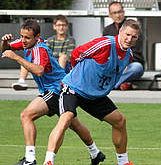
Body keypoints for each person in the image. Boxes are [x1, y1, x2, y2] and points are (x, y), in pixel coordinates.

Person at [1, 19, 105, 165]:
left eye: (27, 38)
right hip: (61, 88)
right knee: (74, 124)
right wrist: (5, 42)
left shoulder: (40, 49)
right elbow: (6, 50)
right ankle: (96, 153)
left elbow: (39, 70)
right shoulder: (28, 41)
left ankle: (30, 159)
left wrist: (16, 57)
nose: (23, 41)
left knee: (26, 115)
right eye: (22, 36)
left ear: (37, 37)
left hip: (56, 89)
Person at [43, 19, 140, 165]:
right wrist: (78, 75)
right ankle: (48, 161)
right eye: (127, 34)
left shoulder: (128, 55)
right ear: (120, 31)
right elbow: (77, 53)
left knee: (120, 121)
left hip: (95, 95)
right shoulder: (106, 44)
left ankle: (123, 162)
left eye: (134, 37)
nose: (129, 39)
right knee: (66, 119)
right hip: (74, 88)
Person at [11, 15, 76, 91]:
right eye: (59, 25)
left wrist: (58, 56)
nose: (61, 27)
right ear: (54, 26)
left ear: (67, 26)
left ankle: (61, 81)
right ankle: (21, 80)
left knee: (63, 58)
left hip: (63, 66)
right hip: (51, 63)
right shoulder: (50, 40)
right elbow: (47, 53)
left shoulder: (70, 40)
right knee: (27, 60)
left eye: (63, 25)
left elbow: (70, 55)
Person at [103, 1, 145, 90]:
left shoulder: (134, 29)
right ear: (109, 15)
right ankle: (123, 83)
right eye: (115, 13)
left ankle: (111, 85)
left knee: (137, 67)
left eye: (120, 12)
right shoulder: (107, 30)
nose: (118, 15)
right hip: (113, 66)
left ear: (124, 12)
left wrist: (125, 64)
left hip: (129, 66)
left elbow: (136, 54)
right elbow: (106, 52)